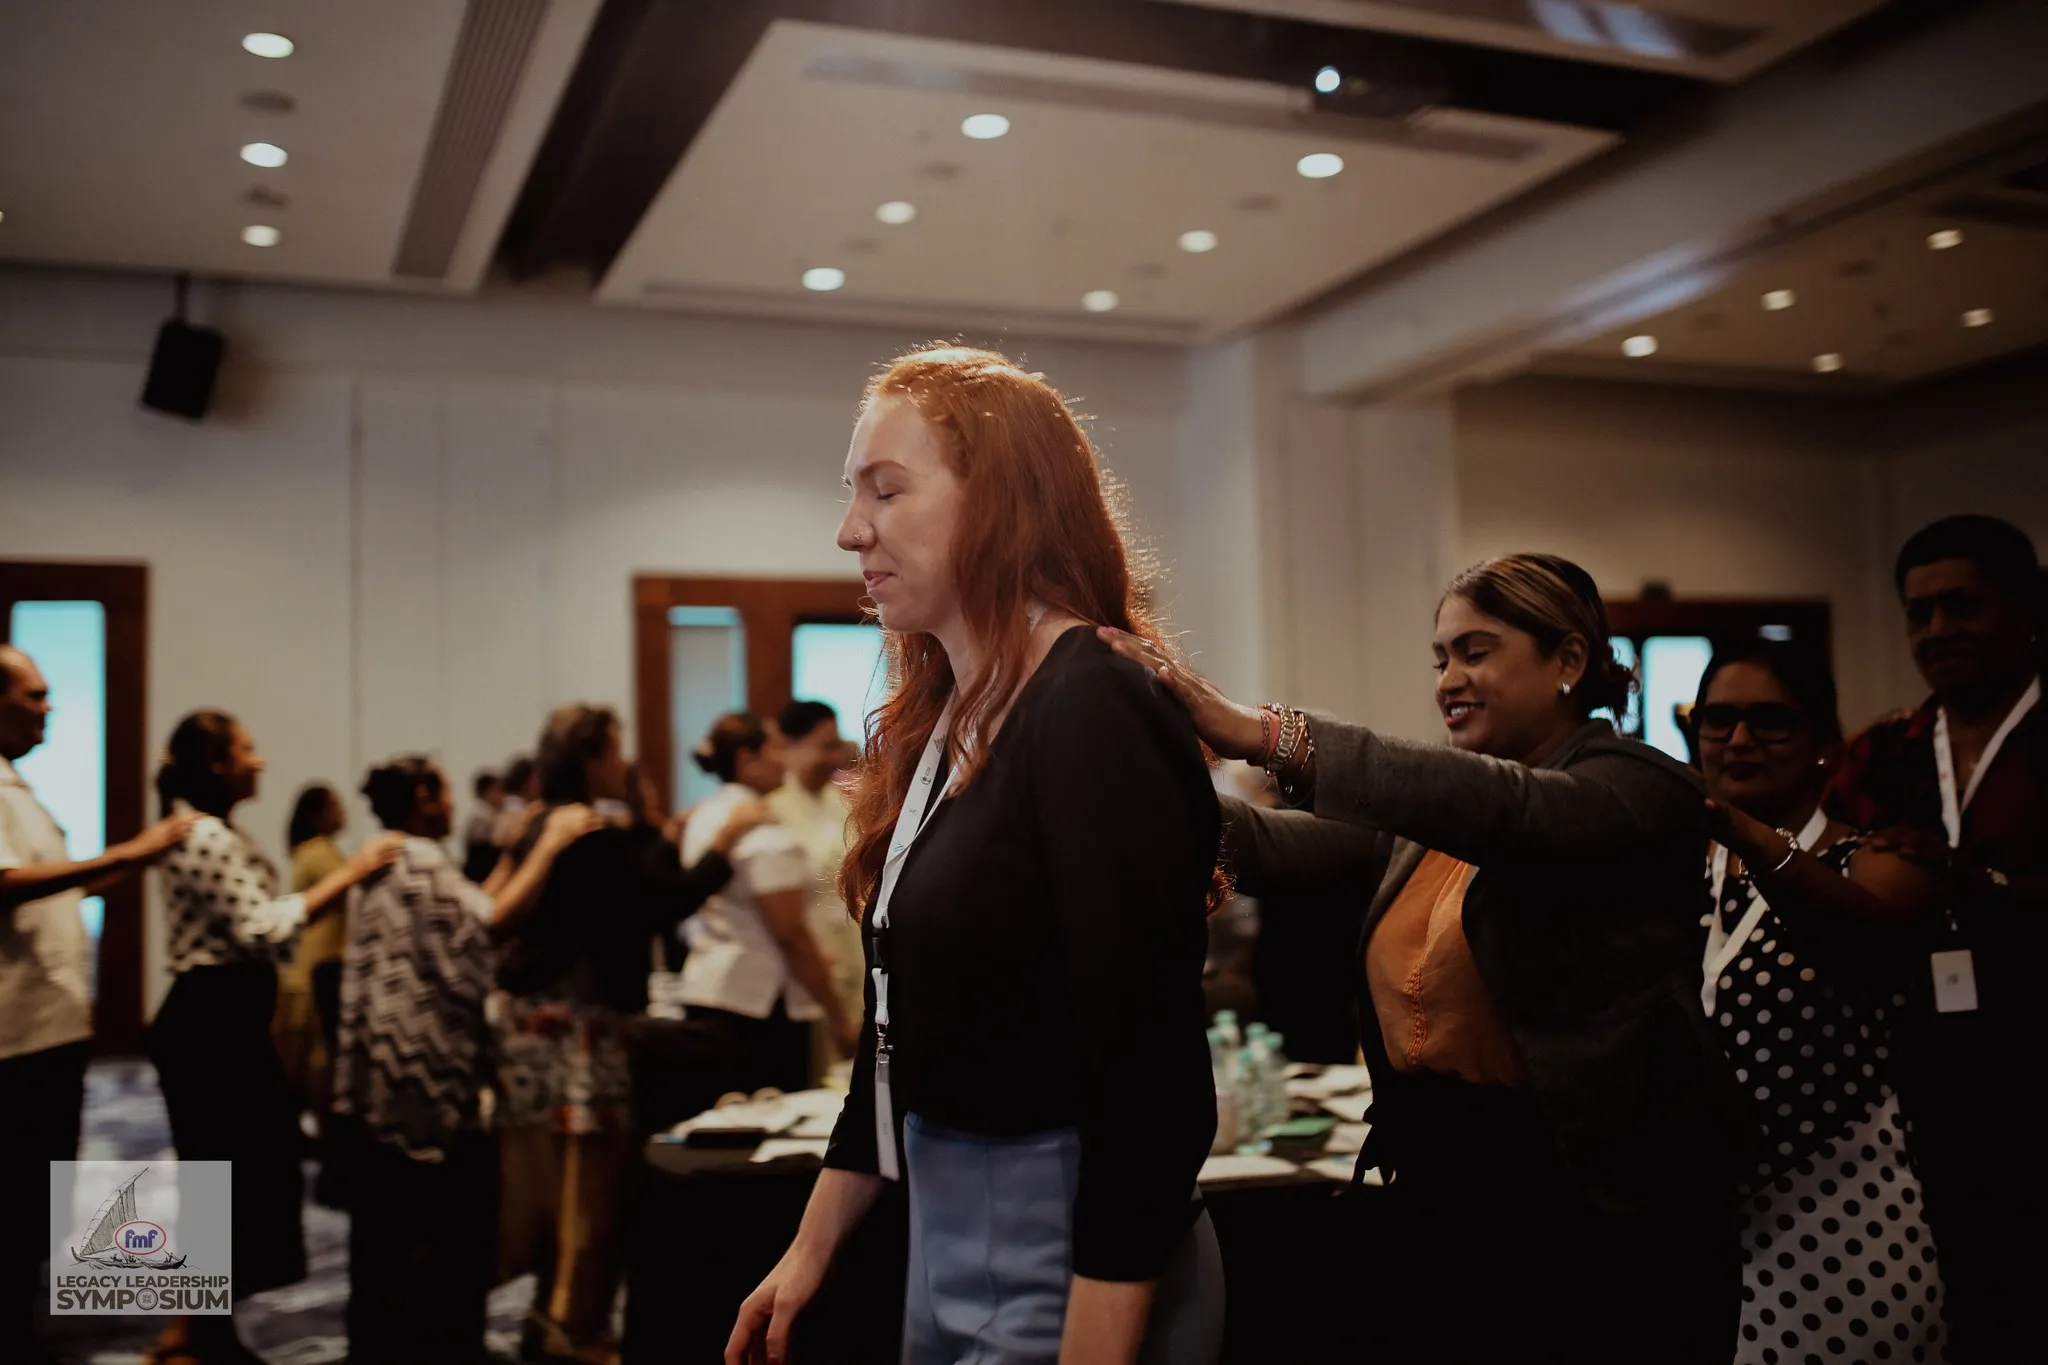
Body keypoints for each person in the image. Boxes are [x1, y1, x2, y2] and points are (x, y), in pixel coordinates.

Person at [1100, 552, 1748, 1364]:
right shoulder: (1443, 814)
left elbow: (1511, 811)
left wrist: (1265, 732)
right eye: (1441, 659)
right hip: (1446, 1200)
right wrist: (1135, 751)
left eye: (1476, 651)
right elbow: (1259, 841)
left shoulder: (1638, 789)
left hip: (1591, 1218)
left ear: (1570, 660)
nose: (1449, 679)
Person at [730, 348, 1224, 1365]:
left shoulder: (1090, 701)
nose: (848, 529)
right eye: (851, 493)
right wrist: (810, 1246)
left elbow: (1148, 1075)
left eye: (885, 489)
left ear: (1000, 501)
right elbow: (892, 1031)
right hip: (950, 1227)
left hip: (1080, 1256)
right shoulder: (943, 719)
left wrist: (1096, 1338)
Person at [1824, 514, 2047, 1360]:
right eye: (1919, 613)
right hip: (1920, 1072)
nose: (1937, 631)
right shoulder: (1886, 747)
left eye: (1964, 606)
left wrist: (1981, 887)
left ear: (2022, 608)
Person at [1692, 640, 1948, 1362]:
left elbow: (1868, 942)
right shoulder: (1667, 871)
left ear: (1826, 749)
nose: (1739, 738)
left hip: (1837, 1230)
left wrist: (1736, 824)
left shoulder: (1880, 858)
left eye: (1769, 720)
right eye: (1718, 720)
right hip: (1687, 1234)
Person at [493, 703, 764, 1365]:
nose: (623, 764)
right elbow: (658, 901)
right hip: (582, 1028)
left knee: (557, 1185)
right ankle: (573, 1328)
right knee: (592, 1186)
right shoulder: (588, 830)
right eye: (615, 750)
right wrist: (724, 846)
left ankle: (548, 1315)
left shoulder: (535, 823)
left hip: (531, 1024)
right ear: (590, 757)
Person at [146, 709, 402, 1365]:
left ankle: (200, 1330)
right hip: (210, 1024)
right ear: (216, 763)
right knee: (223, 1175)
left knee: (230, 1174)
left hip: (220, 1021)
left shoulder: (213, 830)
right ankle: (191, 1335)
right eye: (248, 748)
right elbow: (261, 927)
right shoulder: (204, 835)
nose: (260, 760)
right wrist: (352, 873)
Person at [334, 755, 599, 1365]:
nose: (454, 803)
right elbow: (488, 923)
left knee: (384, 1226)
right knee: (434, 1223)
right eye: (446, 790)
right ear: (425, 797)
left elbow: (467, 906)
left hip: (382, 1065)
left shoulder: (395, 854)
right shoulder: (419, 859)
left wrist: (511, 853)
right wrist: (551, 844)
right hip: (425, 1069)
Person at [0, 645, 195, 1364]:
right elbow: (11, 880)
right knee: (14, 1202)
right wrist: (128, 852)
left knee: (34, 1204)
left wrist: (134, 859)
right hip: (12, 1039)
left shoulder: (17, 786)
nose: (48, 707)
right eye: (35, 694)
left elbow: (59, 891)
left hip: (44, 1030)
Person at [678, 712, 854, 1095]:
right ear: (746, 760)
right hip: (757, 1004)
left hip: (710, 990)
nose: (783, 759)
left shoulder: (705, 814)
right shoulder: (763, 827)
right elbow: (790, 933)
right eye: (774, 748)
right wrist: (837, 1013)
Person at [765, 699, 865, 1069]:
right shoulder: (772, 810)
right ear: (790, 746)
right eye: (825, 745)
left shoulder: (841, 804)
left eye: (837, 744)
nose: (835, 755)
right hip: (805, 971)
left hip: (853, 956)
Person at [275, 782, 349, 1205]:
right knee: (316, 1069)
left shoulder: (313, 851)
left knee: (308, 1068)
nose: (344, 813)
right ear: (318, 814)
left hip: (310, 969)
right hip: (314, 971)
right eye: (336, 806)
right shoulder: (321, 852)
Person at [463, 769, 506, 883]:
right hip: (482, 878)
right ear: (489, 792)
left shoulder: (486, 813)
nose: (503, 796)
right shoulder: (482, 815)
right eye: (498, 791)